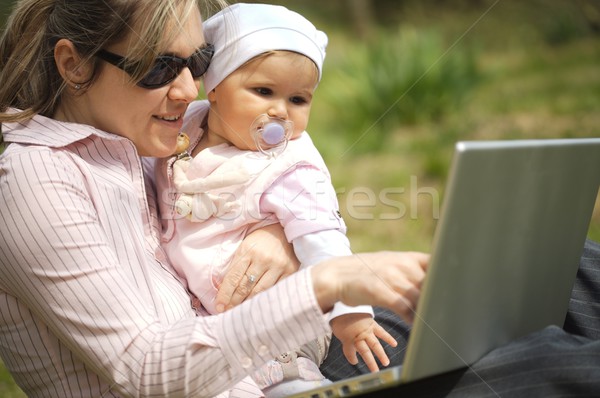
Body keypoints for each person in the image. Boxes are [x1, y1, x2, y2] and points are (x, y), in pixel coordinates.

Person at [0, 1, 599, 398]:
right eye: (158, 68)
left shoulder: (136, 134)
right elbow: (147, 370)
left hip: (282, 349)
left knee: (566, 268)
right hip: (252, 380)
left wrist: (276, 235)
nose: (188, 88)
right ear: (72, 64)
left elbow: (236, 189)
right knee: (553, 367)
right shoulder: (31, 179)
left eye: (198, 61)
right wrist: (326, 282)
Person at [154, 4, 395, 396]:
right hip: (204, 315)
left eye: (299, 100)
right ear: (213, 87)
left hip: (278, 324)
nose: (280, 111)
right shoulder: (185, 128)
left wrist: (352, 315)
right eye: (263, 91)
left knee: (285, 384)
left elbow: (325, 242)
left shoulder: (290, 166)